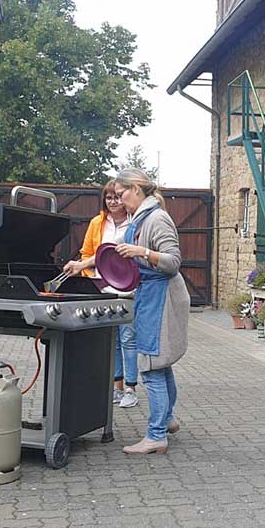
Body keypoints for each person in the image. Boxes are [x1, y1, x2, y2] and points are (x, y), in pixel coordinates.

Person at [113, 168, 189, 455]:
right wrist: (83, 265)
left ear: (135, 189)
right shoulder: (139, 219)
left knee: (150, 367)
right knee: (161, 364)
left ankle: (156, 435)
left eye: (121, 194)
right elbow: (116, 250)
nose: (118, 200)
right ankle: (167, 420)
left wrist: (142, 252)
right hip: (149, 295)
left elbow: (173, 262)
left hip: (161, 297)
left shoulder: (157, 218)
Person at [64, 181, 139, 408]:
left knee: (128, 339)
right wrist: (88, 274)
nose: (113, 201)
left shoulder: (134, 222)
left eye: (117, 197)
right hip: (103, 289)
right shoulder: (98, 222)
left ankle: (131, 388)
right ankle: (117, 387)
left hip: (128, 290)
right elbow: (87, 253)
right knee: (111, 339)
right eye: (109, 197)